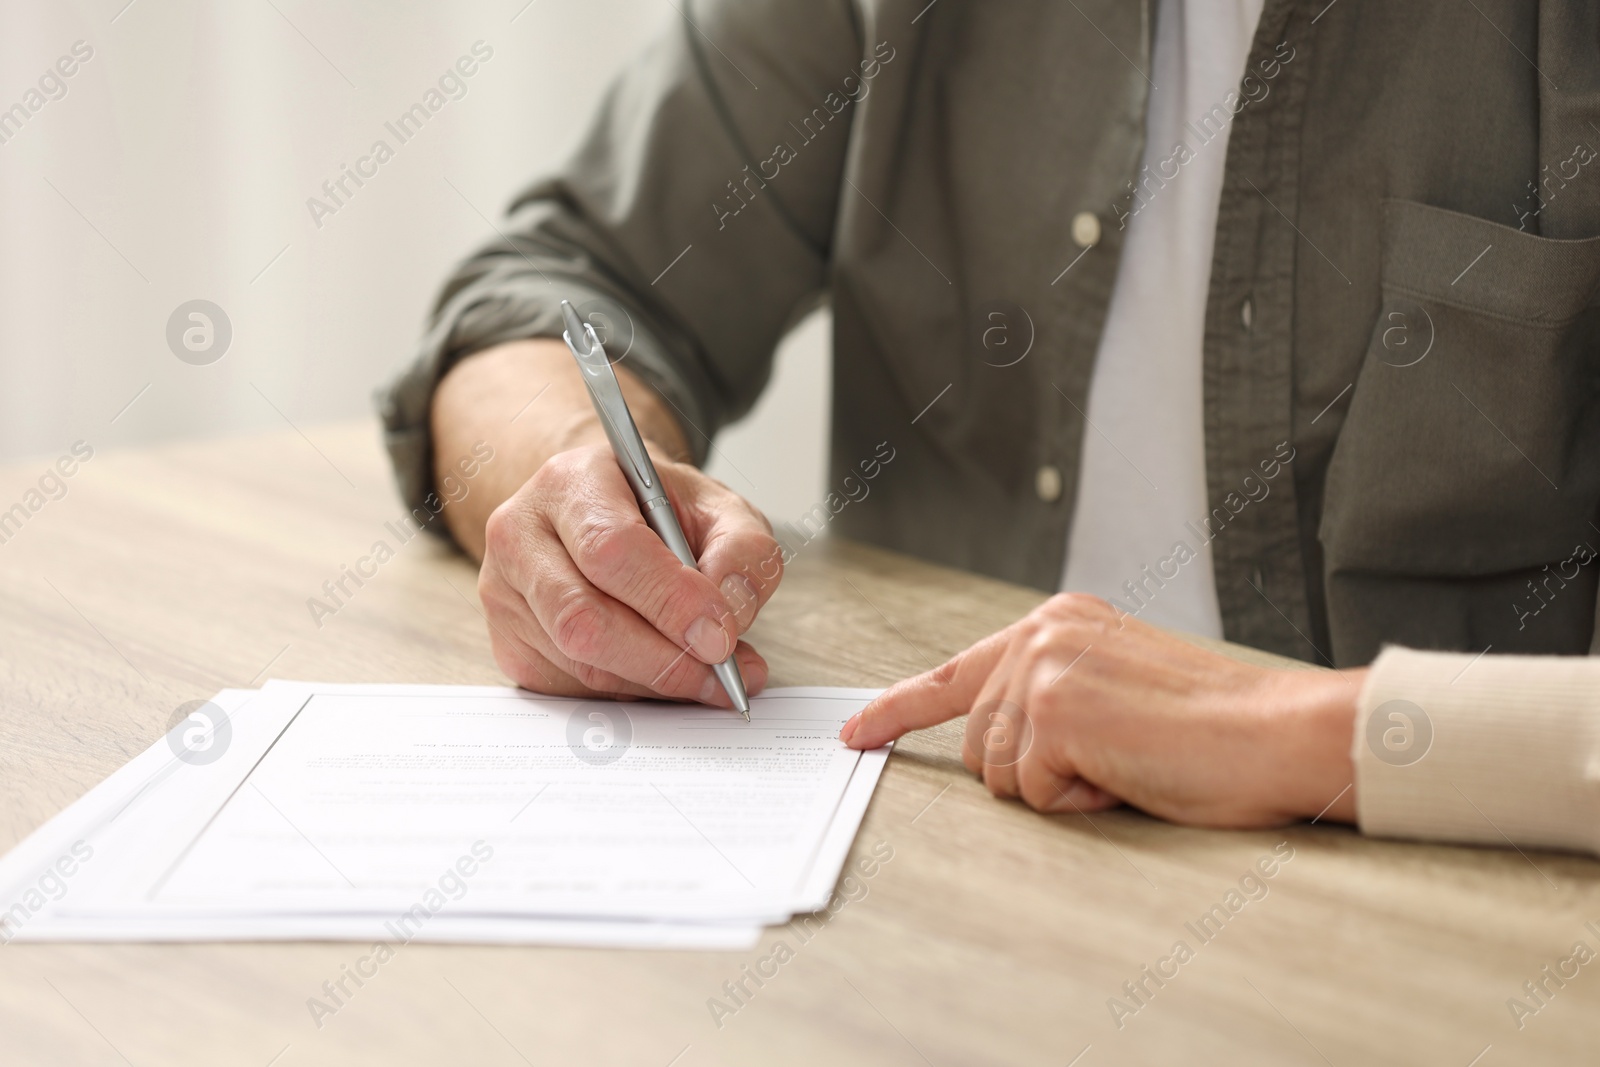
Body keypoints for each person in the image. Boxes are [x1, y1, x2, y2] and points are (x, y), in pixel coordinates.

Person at [383, 0, 1600, 857]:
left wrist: (1282, 732)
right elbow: (566, 278)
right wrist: (572, 489)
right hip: (947, 870)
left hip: (1449, 936)